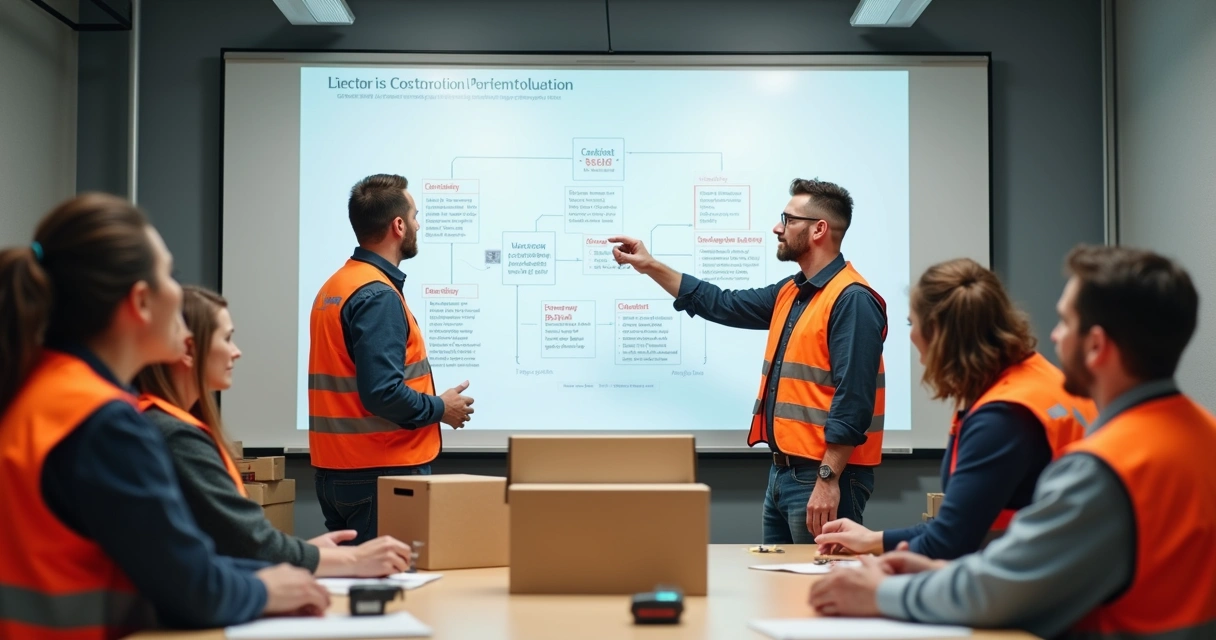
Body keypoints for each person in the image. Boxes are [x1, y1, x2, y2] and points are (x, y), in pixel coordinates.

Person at [809, 245, 1216, 639]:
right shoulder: (1203, 434)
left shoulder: (1103, 468)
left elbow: (1001, 592)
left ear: (1095, 346)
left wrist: (880, 593)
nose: (1054, 335)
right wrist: (943, 574)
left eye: (1065, 322)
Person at [0, 193, 329, 638]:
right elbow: (193, 588)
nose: (179, 291)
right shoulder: (104, 423)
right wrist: (267, 589)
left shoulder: (40, 391)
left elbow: (163, 563)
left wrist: (265, 577)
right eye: (169, 275)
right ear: (140, 302)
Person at [610, 178, 887, 543]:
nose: (777, 228)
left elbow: (854, 399)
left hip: (823, 476)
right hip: (784, 474)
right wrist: (650, 266)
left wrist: (827, 478)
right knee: (779, 578)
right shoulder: (793, 292)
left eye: (788, 219)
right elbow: (721, 303)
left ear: (819, 229)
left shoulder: (852, 299)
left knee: (818, 580)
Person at [814, 258, 1095, 559]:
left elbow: (950, 541)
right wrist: (874, 539)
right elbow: (960, 526)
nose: (911, 335)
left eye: (911, 323)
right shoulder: (1037, 379)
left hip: (1040, 575)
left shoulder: (1002, 417)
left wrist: (880, 568)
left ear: (936, 332)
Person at [135, 285, 415, 576]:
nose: (236, 352)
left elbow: (230, 544)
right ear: (189, 349)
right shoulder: (174, 436)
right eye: (227, 339)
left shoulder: (164, 424)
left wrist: (310, 553)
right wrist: (352, 560)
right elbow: (248, 542)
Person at [309, 174, 475, 544]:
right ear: (398, 226)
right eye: (415, 216)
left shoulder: (336, 286)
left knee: (356, 576)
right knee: (388, 576)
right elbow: (382, 393)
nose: (418, 225)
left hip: (339, 472)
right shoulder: (377, 296)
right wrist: (441, 407)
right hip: (380, 473)